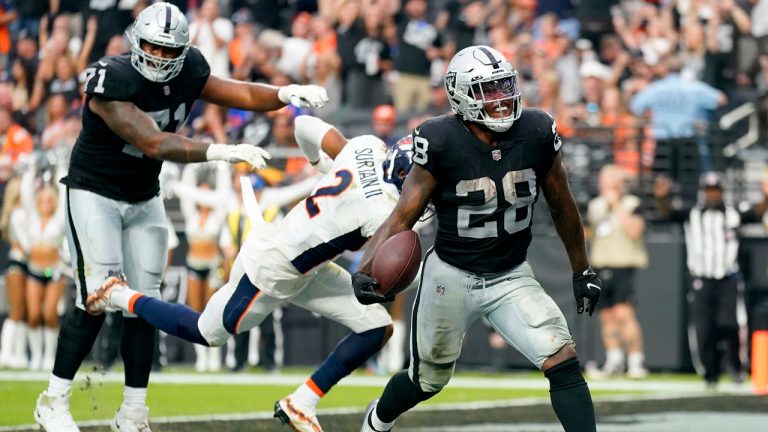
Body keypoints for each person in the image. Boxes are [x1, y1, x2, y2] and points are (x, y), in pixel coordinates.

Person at [33, 3, 328, 431]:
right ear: (137, 41)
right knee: (95, 297)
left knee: (144, 305)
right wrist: (220, 151)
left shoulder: (190, 68)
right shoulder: (110, 78)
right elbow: (152, 142)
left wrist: (282, 95)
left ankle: (133, 412)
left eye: (169, 50)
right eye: (152, 46)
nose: (158, 56)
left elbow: (240, 93)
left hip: (143, 195)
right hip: (94, 192)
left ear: (183, 50)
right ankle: (53, 400)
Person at [86, 114, 414, 432]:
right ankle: (118, 294)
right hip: (274, 268)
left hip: (300, 258)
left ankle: (302, 402)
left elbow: (304, 125)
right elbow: (378, 272)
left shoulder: (367, 146)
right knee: (205, 331)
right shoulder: (383, 211)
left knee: (376, 326)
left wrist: (319, 165)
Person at [352, 45, 601, 432]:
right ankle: (377, 421)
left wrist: (582, 269)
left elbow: (563, 205)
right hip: (450, 274)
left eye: (505, 86)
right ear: (460, 95)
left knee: (562, 358)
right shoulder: (439, 139)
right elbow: (404, 214)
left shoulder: (536, 130)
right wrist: (366, 265)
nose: (501, 99)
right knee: (427, 380)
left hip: (510, 273)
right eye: (488, 90)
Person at [654, 172, 768, 388]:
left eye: (716, 191)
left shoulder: (733, 214)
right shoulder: (693, 214)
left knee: (731, 324)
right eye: (709, 191)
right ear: (703, 193)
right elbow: (668, 213)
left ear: (722, 192)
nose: (713, 195)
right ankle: (710, 372)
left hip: (728, 278)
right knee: (705, 329)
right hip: (701, 280)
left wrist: (766, 196)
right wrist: (661, 197)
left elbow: (756, 212)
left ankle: (735, 367)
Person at [585, 165, 649, 379]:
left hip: (624, 264)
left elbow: (635, 231)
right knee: (607, 316)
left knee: (624, 314)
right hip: (601, 265)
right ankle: (614, 359)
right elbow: (586, 234)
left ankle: (635, 360)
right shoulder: (595, 206)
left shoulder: (632, 204)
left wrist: (616, 207)